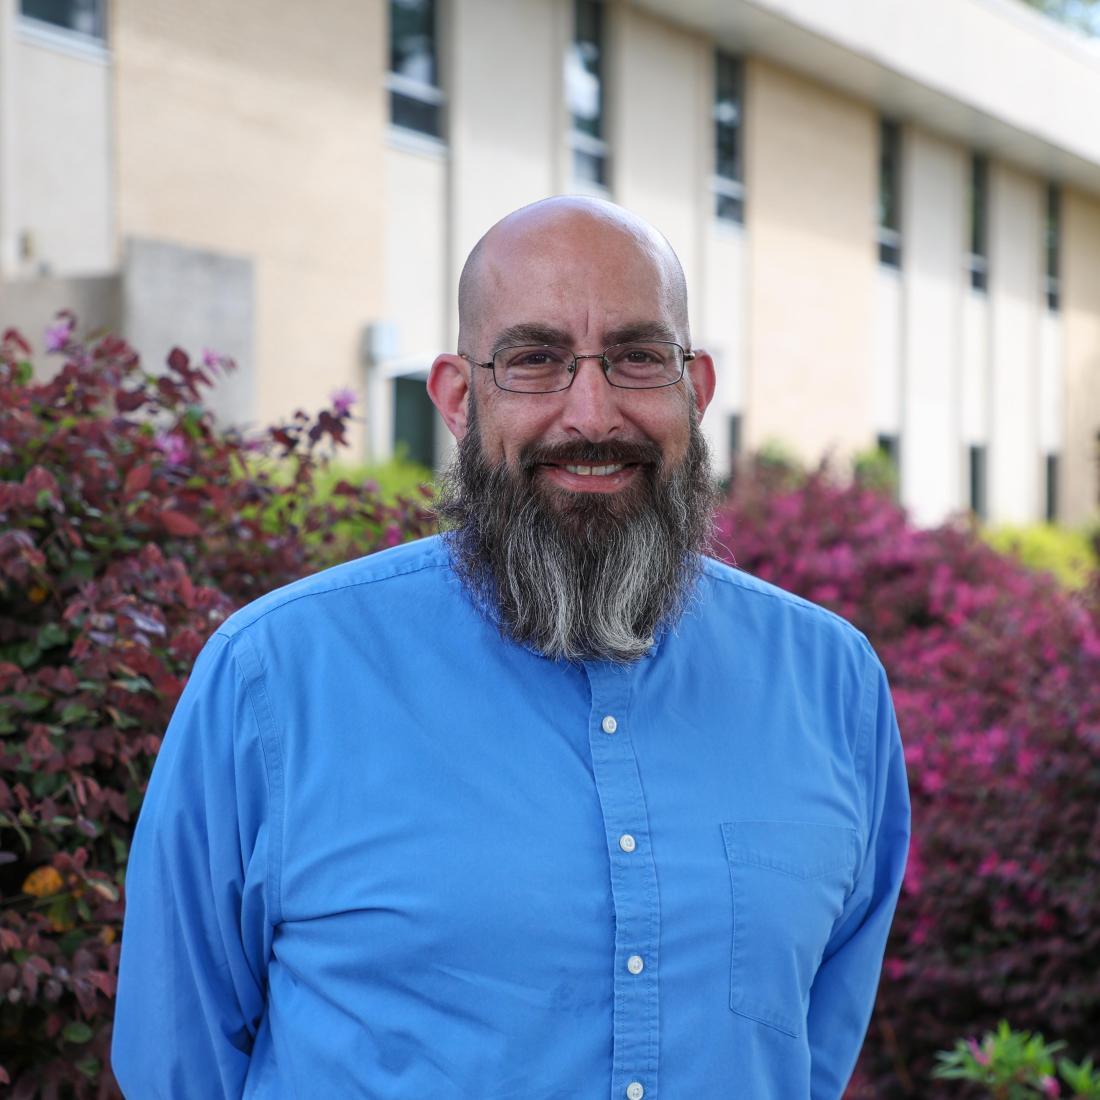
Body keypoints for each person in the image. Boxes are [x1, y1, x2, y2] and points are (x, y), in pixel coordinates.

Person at [112, 196, 910, 1099]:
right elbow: (176, 1066)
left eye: (639, 357)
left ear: (698, 389)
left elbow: (811, 1046)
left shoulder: (831, 685)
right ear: (458, 397)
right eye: (535, 361)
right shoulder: (274, 680)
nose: (593, 411)